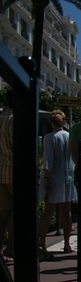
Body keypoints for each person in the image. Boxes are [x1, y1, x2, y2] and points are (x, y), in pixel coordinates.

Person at [38, 110, 77, 257]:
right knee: (67, 211)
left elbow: (49, 160)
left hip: (54, 177)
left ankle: (42, 241)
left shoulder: (49, 138)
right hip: (68, 177)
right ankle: (67, 244)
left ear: (51, 123)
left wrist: (46, 180)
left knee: (49, 210)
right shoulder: (69, 136)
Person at [0, 90, 14, 264]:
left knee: (3, 213)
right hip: (16, 170)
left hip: (2, 170)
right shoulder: (16, 119)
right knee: (20, 213)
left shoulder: (1, 117)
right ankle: (11, 248)